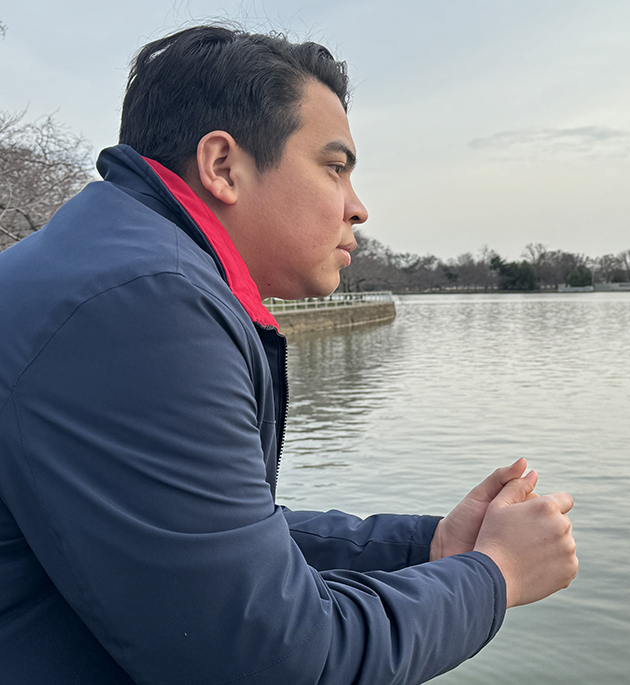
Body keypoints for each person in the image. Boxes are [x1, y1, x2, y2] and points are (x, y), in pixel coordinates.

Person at [0, 25, 577, 684]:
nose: (358, 207)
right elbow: (278, 661)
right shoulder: (145, 302)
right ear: (223, 166)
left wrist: (428, 546)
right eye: (335, 166)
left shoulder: (120, 264)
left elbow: (212, 537)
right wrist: (493, 576)